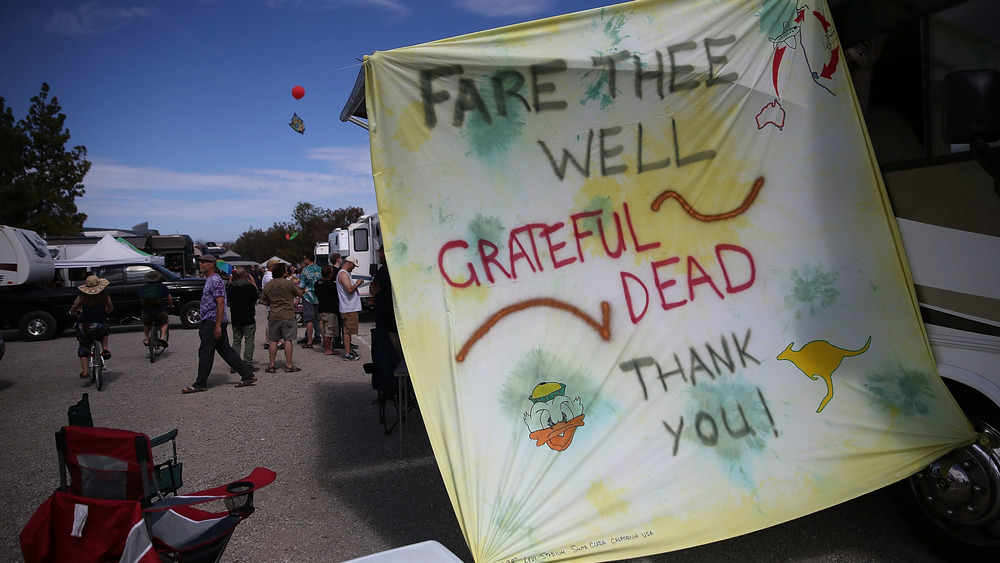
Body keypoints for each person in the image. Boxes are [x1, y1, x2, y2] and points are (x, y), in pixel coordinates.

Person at [182, 254, 256, 393]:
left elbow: (220, 303)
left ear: (212, 264)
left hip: (212, 321)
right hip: (212, 320)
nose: (201, 264)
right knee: (225, 350)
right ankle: (247, 374)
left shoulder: (215, 280)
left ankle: (200, 383)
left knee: (205, 352)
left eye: (204, 262)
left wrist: (217, 325)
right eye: (200, 262)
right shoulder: (211, 280)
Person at [259, 262, 303, 372]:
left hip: (274, 315)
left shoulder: (269, 285)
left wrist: (269, 304)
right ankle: (289, 365)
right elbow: (299, 293)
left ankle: (272, 365)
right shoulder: (288, 283)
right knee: (288, 340)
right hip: (288, 314)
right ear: (283, 272)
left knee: (273, 341)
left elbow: (261, 300)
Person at [68, 276, 113, 379]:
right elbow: (110, 305)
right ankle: (105, 348)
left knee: (84, 346)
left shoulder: (83, 295)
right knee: (104, 331)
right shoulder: (104, 295)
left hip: (85, 324)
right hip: (101, 322)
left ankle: (85, 371)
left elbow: (75, 305)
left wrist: (71, 311)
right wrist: (108, 310)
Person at [227, 266, 259, 373]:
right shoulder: (249, 287)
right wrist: (253, 283)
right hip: (248, 317)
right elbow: (256, 297)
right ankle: (247, 363)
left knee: (236, 341)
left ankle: (235, 364)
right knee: (249, 341)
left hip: (236, 317)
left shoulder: (231, 287)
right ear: (246, 275)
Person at [337, 256, 364, 361]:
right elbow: (349, 289)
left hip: (349, 307)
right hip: (349, 308)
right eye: (353, 265)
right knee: (347, 331)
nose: (353, 268)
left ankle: (349, 351)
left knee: (348, 330)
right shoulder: (343, 274)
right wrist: (358, 283)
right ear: (349, 263)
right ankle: (347, 353)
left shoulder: (344, 274)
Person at [140, 270, 172, 348]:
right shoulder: (162, 286)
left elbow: (142, 298)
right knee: (164, 322)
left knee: (146, 323)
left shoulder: (143, 287)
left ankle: (147, 339)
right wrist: (170, 305)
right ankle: (162, 337)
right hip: (160, 309)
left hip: (147, 310)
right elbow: (169, 298)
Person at [314, 265, 341, 356]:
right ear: (330, 274)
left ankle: (327, 347)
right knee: (329, 331)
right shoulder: (331, 285)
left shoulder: (317, 283)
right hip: (330, 309)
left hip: (321, 308)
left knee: (325, 329)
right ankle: (328, 349)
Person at [297, 255, 323, 348]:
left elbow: (302, 285)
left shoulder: (305, 270)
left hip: (308, 296)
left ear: (308, 259)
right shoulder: (320, 269)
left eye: (304, 259)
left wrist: (297, 299)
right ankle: (323, 340)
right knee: (320, 319)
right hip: (319, 296)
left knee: (309, 320)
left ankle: (309, 341)